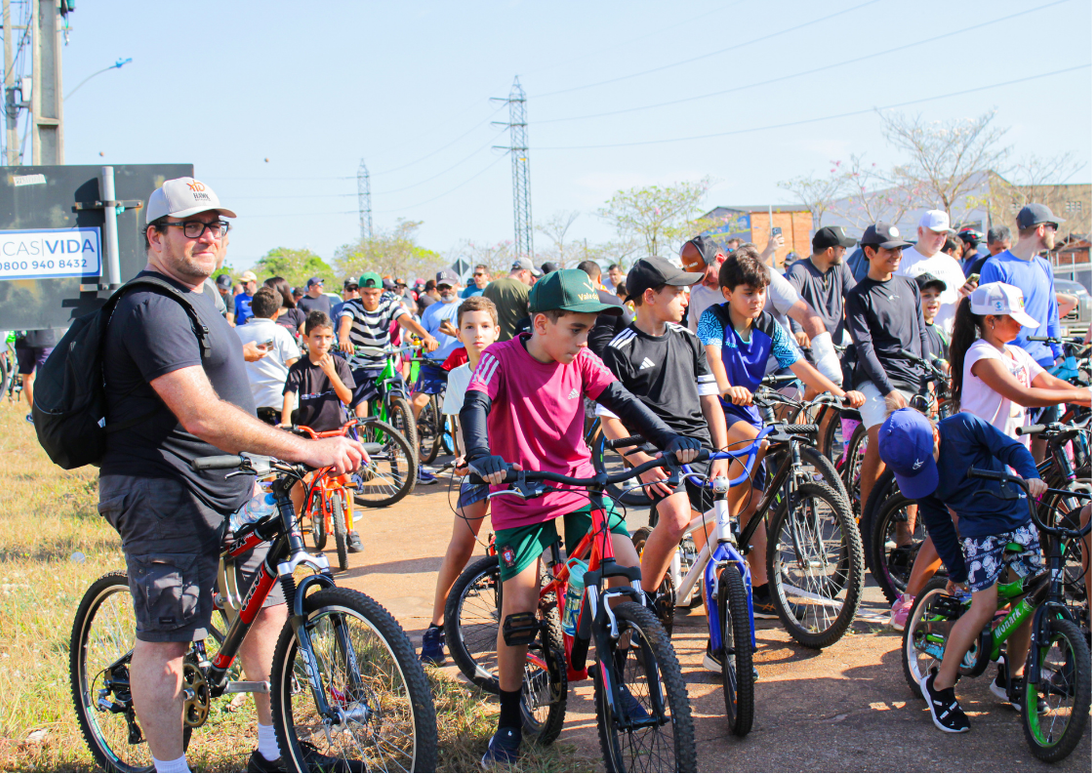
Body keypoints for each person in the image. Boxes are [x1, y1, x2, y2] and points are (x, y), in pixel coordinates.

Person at [99, 177, 365, 774]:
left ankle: (274, 751)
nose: (208, 237)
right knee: (168, 637)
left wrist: (293, 440)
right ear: (155, 236)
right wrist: (302, 452)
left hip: (227, 481)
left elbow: (233, 401)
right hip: (161, 486)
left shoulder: (206, 298)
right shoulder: (150, 305)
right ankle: (171, 769)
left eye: (217, 226)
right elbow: (198, 413)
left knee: (266, 606)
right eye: (191, 225)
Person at [461, 269, 701, 766]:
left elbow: (624, 402)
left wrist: (666, 438)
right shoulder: (500, 360)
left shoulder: (584, 360)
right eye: (575, 328)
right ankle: (509, 719)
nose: (583, 339)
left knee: (626, 576)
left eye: (589, 330)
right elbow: (475, 402)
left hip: (577, 488)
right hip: (519, 493)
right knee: (520, 612)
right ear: (541, 322)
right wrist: (482, 453)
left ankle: (612, 674)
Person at [697, 249, 865, 618]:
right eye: (747, 291)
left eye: (761, 291)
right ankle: (716, 527)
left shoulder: (769, 326)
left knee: (757, 504)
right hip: (716, 405)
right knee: (747, 469)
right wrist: (727, 386)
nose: (756, 298)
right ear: (727, 293)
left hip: (747, 408)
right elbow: (712, 359)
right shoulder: (712, 319)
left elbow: (799, 365)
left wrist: (840, 394)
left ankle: (760, 588)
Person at [877, 407, 1046, 733]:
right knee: (983, 606)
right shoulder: (919, 478)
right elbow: (940, 528)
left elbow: (1011, 448)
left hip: (1018, 517)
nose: (929, 472)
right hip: (978, 533)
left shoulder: (964, 426)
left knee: (1029, 600)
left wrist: (1030, 474)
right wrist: (956, 573)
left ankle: (1014, 675)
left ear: (935, 433)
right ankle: (940, 686)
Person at [597, 257, 731, 660]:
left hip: (699, 448)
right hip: (652, 453)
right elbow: (610, 424)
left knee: (718, 544)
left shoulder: (688, 340)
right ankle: (645, 605)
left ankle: (721, 644)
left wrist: (721, 455)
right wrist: (644, 460)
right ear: (650, 297)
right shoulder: (620, 349)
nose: (687, 296)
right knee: (674, 518)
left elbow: (710, 403)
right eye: (678, 291)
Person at [418, 296, 500, 665]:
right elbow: (460, 428)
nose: (477, 333)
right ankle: (435, 626)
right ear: (458, 331)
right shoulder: (457, 375)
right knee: (460, 547)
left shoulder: (509, 366)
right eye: (469, 326)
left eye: (484, 326)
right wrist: (467, 458)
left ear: (497, 331)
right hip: (478, 473)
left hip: (515, 469)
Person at [844, 222, 932, 518]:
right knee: (883, 440)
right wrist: (888, 390)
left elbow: (922, 334)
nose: (896, 254)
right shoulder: (858, 295)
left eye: (900, 249)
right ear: (869, 252)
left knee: (919, 448)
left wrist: (927, 376)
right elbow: (865, 349)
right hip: (875, 380)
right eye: (889, 249)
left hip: (913, 378)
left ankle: (905, 533)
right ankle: (868, 524)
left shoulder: (909, 286)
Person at [979, 204, 1066, 461]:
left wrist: (1058, 356)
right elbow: (987, 321)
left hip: (1042, 366)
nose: (1055, 233)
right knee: (1012, 438)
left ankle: (1036, 499)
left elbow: (1051, 316)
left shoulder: (1045, 267)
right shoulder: (996, 266)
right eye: (1053, 227)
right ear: (1041, 229)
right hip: (1009, 368)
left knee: (1044, 437)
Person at [282, 310, 363, 552]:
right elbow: (289, 395)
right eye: (317, 337)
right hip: (309, 435)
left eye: (328, 337)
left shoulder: (338, 363)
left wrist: (330, 374)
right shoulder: (299, 368)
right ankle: (292, 533)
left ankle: (349, 529)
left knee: (343, 479)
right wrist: (286, 422)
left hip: (336, 433)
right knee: (301, 482)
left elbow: (347, 397)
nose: (323, 343)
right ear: (305, 339)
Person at [337, 271, 437, 422]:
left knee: (407, 405)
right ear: (359, 292)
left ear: (381, 292)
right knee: (361, 411)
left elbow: (407, 321)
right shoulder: (352, 305)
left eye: (375, 293)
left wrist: (427, 336)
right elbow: (346, 322)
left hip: (383, 363)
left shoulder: (388, 304)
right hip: (360, 365)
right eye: (366, 293)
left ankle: (407, 443)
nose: (371, 297)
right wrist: (344, 339)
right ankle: (361, 444)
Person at [410, 270, 464, 481]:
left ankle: (462, 461)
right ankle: (413, 454)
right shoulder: (430, 310)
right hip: (432, 364)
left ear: (457, 285)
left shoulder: (465, 306)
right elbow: (420, 334)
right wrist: (423, 339)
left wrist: (455, 333)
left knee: (460, 412)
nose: (445, 290)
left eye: (449, 286)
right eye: (441, 287)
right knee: (416, 403)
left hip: (459, 363)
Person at [894, 210, 969, 335]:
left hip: (948, 337)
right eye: (936, 233)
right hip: (914, 337)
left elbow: (960, 301)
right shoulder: (902, 260)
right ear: (920, 232)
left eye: (944, 234)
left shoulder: (951, 263)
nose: (941, 239)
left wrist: (967, 295)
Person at [235, 287, 301, 425]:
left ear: (252, 309)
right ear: (277, 312)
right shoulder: (280, 332)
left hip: (249, 402)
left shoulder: (236, 332)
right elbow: (294, 366)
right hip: (280, 402)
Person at [785, 226, 858, 347]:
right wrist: (798, 331)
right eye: (842, 249)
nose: (845, 253)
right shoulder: (800, 269)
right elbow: (791, 299)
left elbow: (855, 298)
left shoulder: (841, 267)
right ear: (829, 251)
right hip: (811, 346)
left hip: (837, 344)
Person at [576, 259, 631, 357]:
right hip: (607, 360)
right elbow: (629, 330)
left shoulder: (567, 302)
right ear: (599, 278)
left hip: (575, 360)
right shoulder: (614, 301)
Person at [482, 258, 540, 341]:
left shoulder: (490, 287)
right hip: (516, 345)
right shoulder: (527, 290)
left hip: (494, 345)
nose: (530, 279)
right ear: (523, 272)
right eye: (530, 275)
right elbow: (533, 321)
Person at [14, 328, 56, 423]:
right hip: (45, 337)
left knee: (28, 377)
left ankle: (36, 413)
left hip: (24, 337)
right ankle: (42, 412)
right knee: (46, 378)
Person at [916, 273, 950, 362]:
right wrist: (938, 363)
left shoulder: (941, 332)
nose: (933, 300)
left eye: (937, 295)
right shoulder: (909, 331)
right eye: (927, 295)